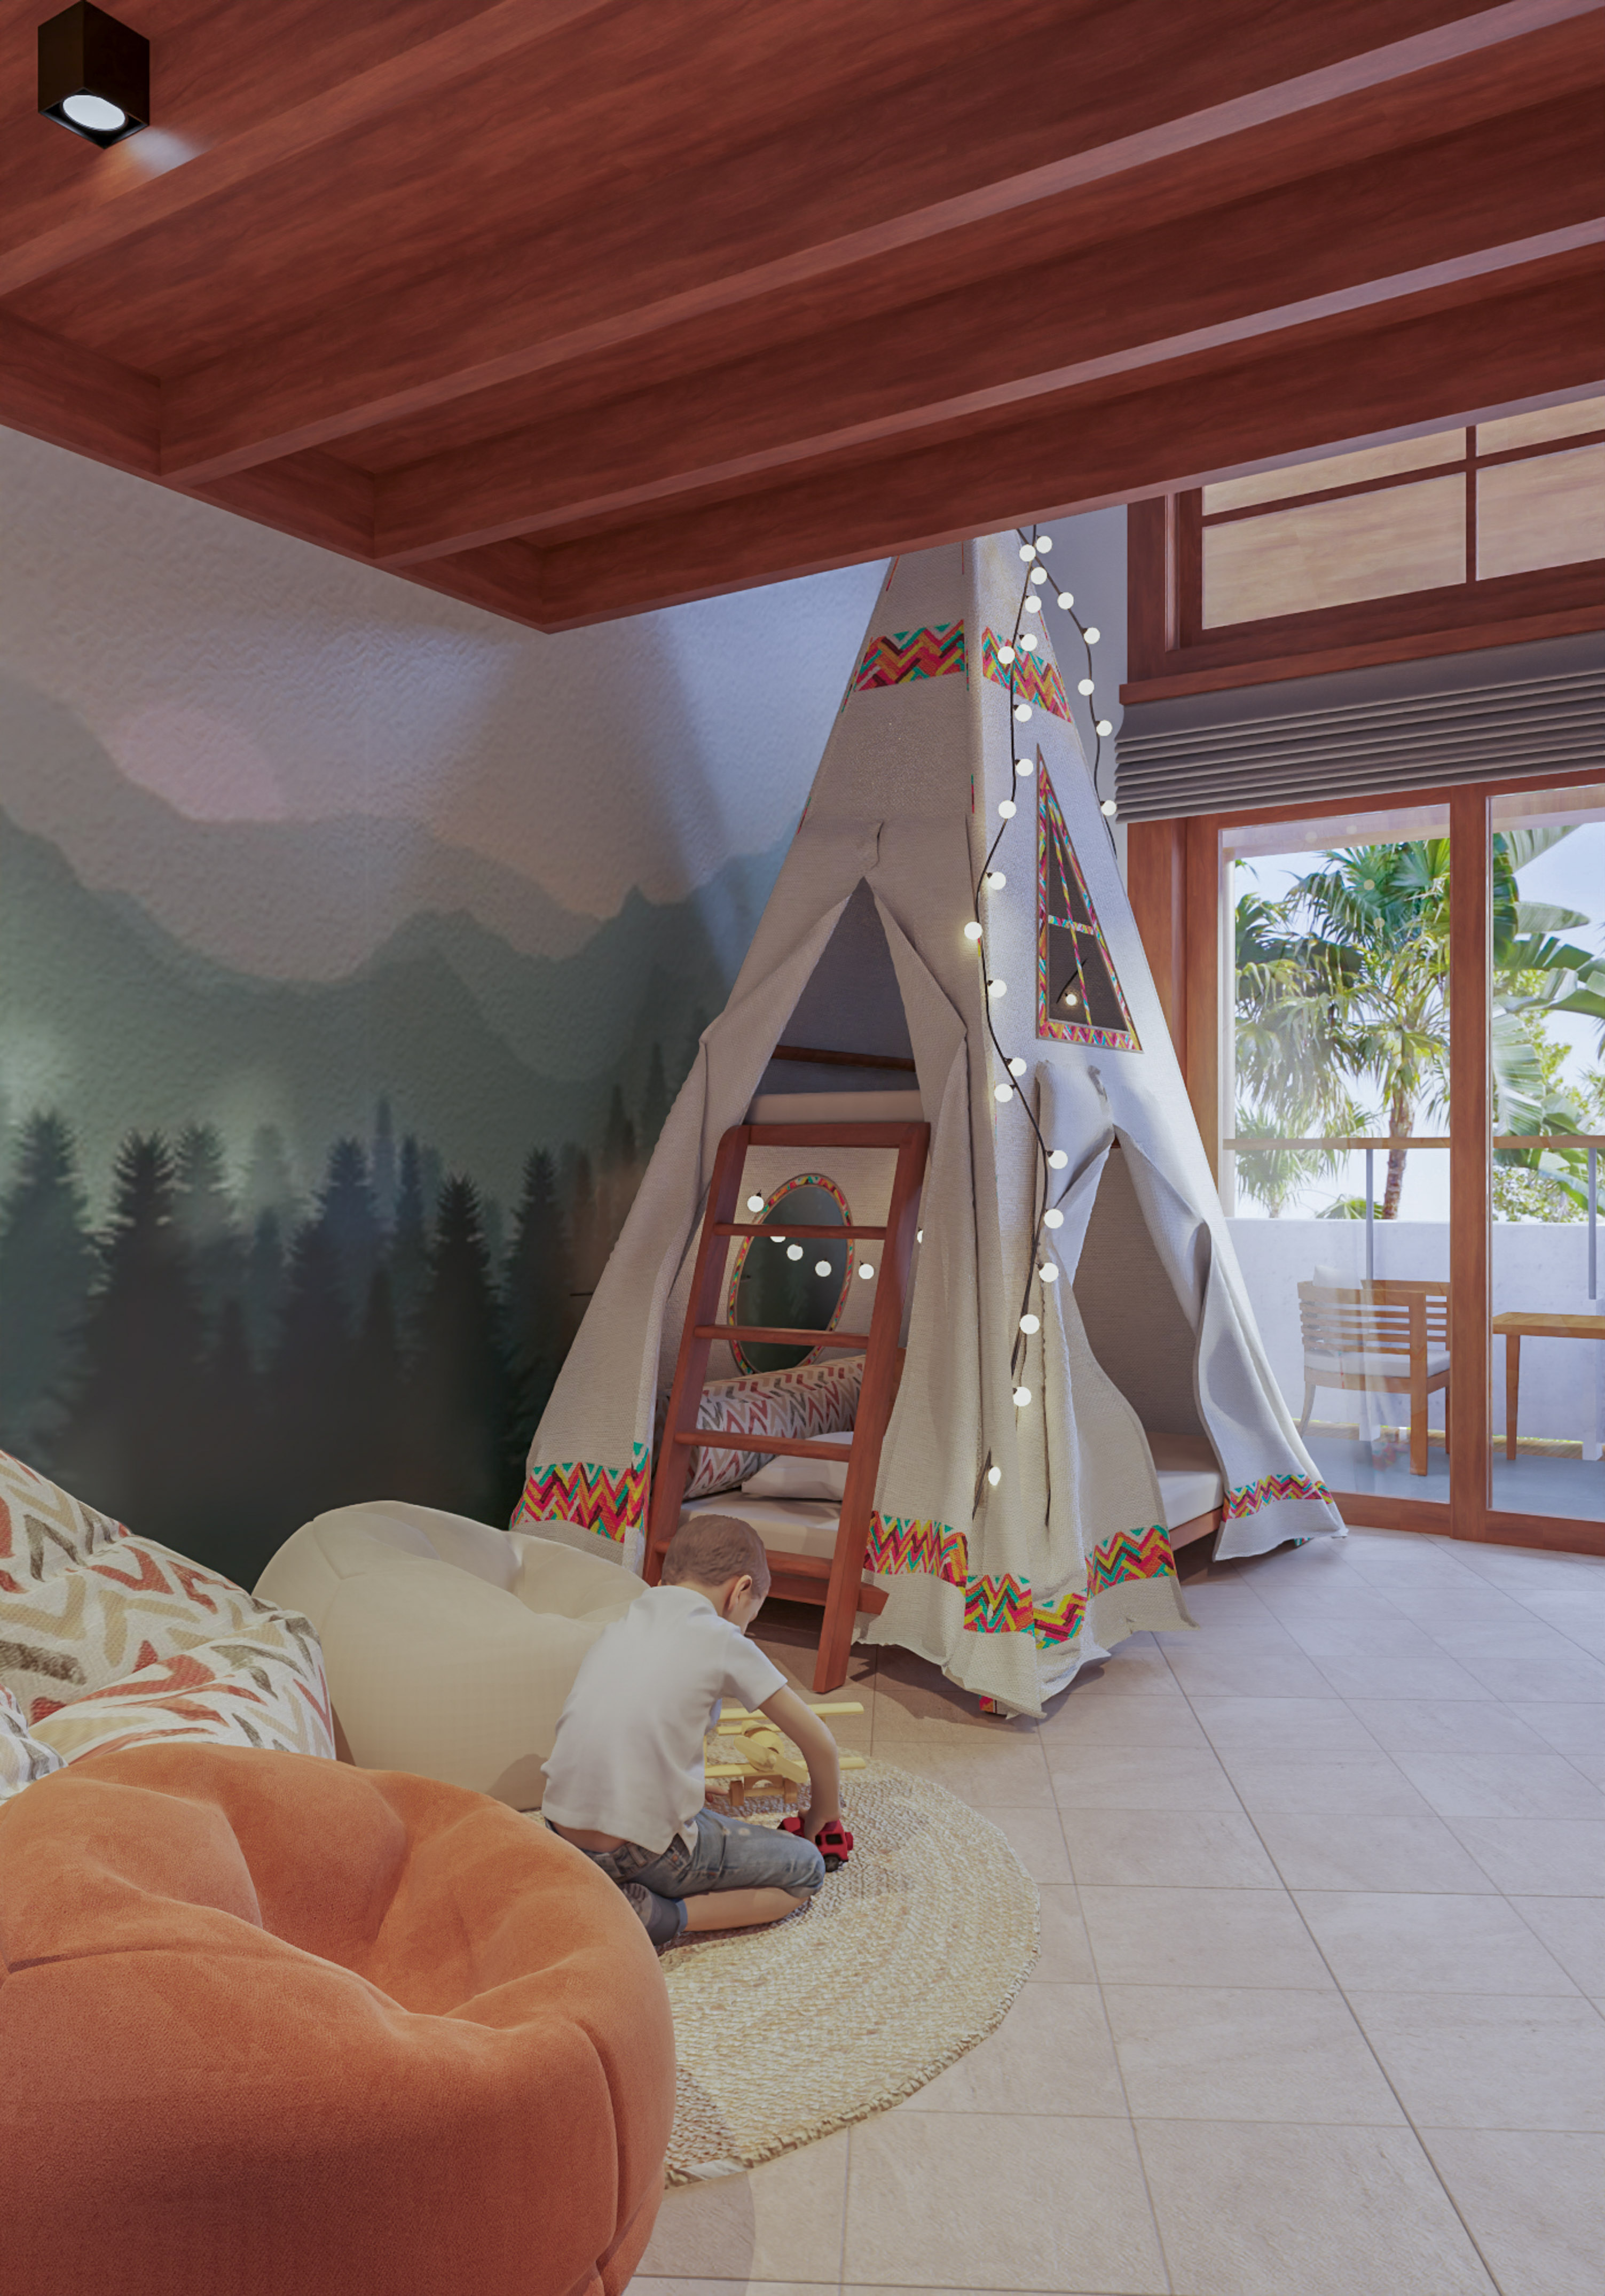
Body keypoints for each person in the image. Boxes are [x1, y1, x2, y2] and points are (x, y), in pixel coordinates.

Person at [541, 1512, 844, 1948]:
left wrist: (684, 1782)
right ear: (740, 1591)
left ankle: (606, 1888)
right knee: (806, 1869)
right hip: (639, 1850)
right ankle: (663, 1917)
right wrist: (822, 1817)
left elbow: (630, 1728)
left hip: (562, 1832)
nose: (744, 1630)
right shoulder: (721, 1638)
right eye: (749, 1618)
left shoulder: (622, 1624)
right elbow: (821, 1745)